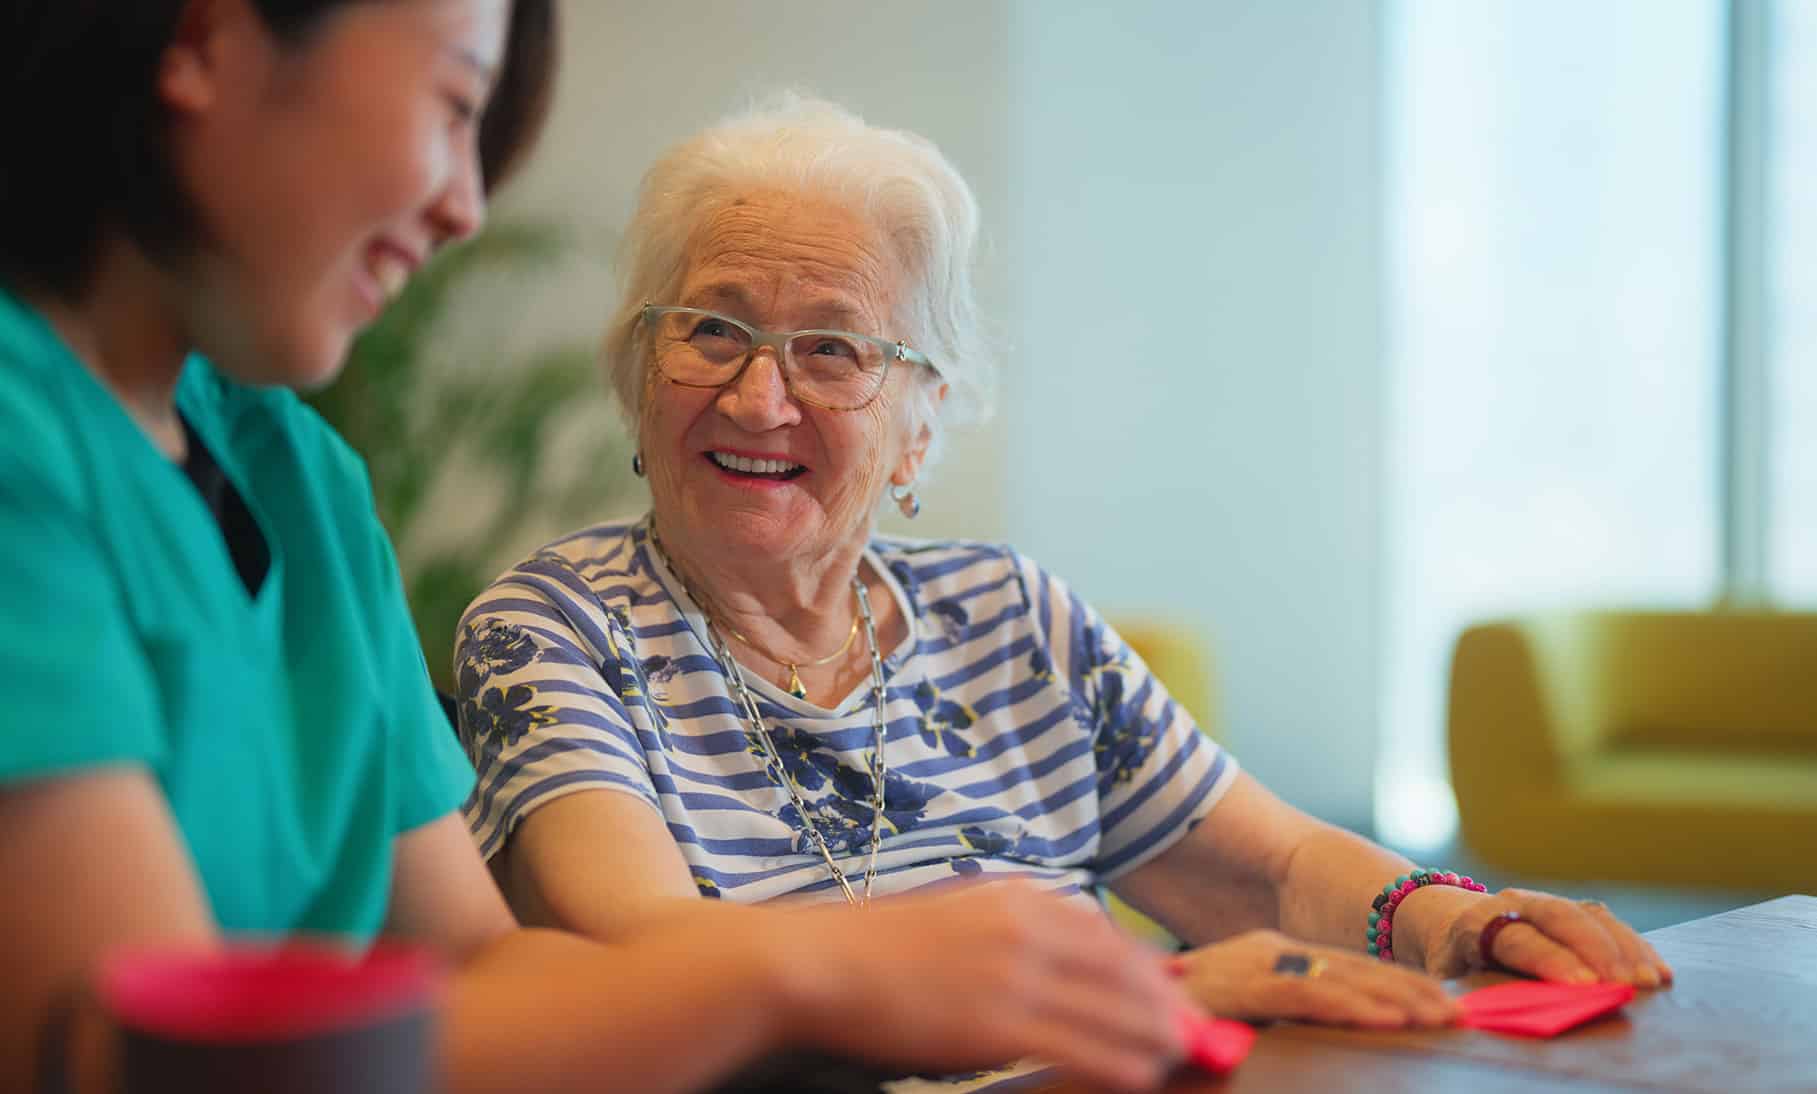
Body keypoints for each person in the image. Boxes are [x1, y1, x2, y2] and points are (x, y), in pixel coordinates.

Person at [0, 7, 1196, 1094]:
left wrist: (1110, 1005)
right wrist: (823, 967)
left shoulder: (299, 479)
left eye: (830, 352)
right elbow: (121, 1054)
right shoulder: (24, 435)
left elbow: (476, 974)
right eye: (457, 105)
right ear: (207, 38)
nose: (467, 206)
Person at [456, 93, 1675, 1037]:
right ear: (635, 372)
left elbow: (1271, 864)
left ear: (919, 422)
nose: (758, 394)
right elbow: (644, 953)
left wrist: (1463, 920)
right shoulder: (554, 629)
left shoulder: (1009, 615)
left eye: (832, 349)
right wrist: (1161, 987)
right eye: (712, 329)